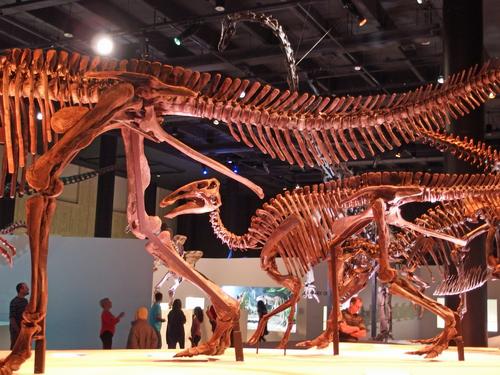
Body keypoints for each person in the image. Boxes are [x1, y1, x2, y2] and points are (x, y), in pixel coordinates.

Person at [9, 282, 29, 349]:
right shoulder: (14, 302)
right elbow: (12, 318)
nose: (28, 289)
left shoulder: (25, 301)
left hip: (23, 330)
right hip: (16, 331)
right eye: (26, 288)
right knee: (15, 347)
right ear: (21, 289)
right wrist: (18, 330)